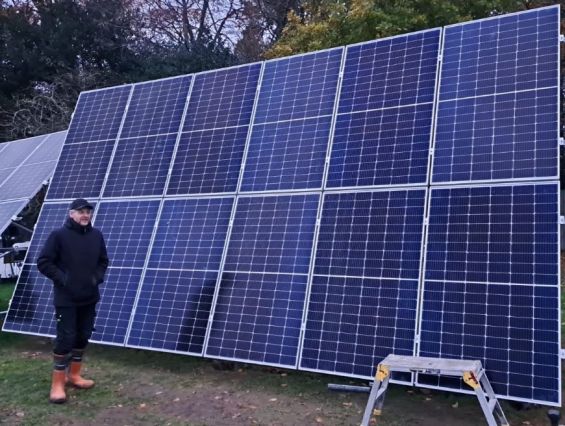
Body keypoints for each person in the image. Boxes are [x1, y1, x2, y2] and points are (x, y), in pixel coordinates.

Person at [37, 198, 109, 404]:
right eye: (81, 211)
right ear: (71, 214)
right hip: (66, 299)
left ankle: (74, 375)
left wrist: (96, 278)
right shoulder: (58, 235)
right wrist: (63, 279)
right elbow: (43, 262)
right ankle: (57, 383)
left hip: (89, 297)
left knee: (83, 336)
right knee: (65, 338)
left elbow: (104, 261)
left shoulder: (97, 235)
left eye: (88, 211)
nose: (85, 215)